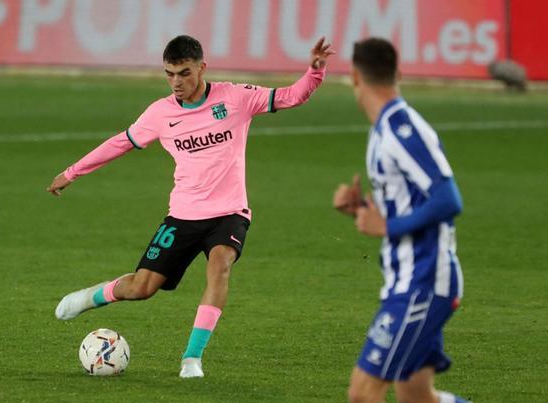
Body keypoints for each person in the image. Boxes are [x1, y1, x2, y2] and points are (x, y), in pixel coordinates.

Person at [47, 35, 334, 378]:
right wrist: (72, 172)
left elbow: (291, 96)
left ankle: (191, 359)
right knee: (142, 288)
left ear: (202, 67)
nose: (176, 82)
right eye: (169, 74)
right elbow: (121, 142)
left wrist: (314, 71)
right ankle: (90, 297)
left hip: (229, 213)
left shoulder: (235, 97)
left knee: (220, 267)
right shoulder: (160, 113)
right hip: (183, 215)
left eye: (183, 73)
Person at [333, 38, 484, 403]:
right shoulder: (384, 129)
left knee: (363, 395)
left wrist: (386, 227)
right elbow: (411, 203)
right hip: (410, 279)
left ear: (353, 76)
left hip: (423, 281)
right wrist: (363, 209)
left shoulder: (402, 129)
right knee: (417, 400)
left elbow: (449, 200)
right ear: (398, 73)